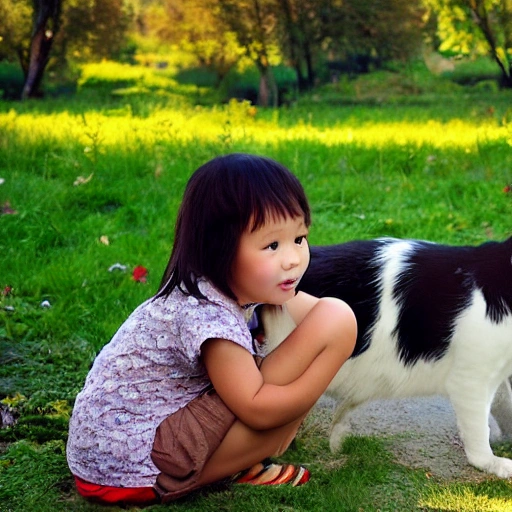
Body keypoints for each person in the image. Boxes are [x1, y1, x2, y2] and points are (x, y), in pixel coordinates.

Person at [66, 153, 357, 506]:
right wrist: (308, 394)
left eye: (299, 238)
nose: (293, 258)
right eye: (272, 245)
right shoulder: (208, 318)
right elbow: (258, 409)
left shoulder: (213, 285)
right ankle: (224, 468)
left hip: (110, 454)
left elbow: (318, 318)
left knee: (334, 317)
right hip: (137, 467)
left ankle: (232, 459)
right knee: (316, 345)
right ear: (218, 249)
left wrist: (335, 329)